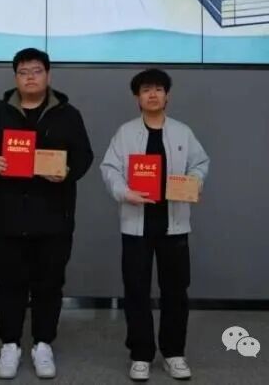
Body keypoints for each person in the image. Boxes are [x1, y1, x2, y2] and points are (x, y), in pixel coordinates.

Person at [0, 47, 94, 380]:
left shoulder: (68, 114)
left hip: (53, 217)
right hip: (6, 215)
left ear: (48, 75)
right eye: (23, 72)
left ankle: (43, 344)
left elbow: (84, 156)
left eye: (36, 71)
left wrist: (67, 171)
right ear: (15, 77)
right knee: (8, 282)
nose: (30, 78)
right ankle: (10, 344)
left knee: (49, 283)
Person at [100, 68, 210, 382]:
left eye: (158, 89)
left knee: (175, 291)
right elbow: (109, 168)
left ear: (167, 96)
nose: (152, 94)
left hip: (174, 225)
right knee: (136, 291)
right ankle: (141, 354)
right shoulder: (125, 133)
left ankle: (174, 353)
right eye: (146, 89)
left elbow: (200, 163)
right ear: (137, 97)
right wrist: (124, 192)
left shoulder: (182, 132)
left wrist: (194, 182)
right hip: (136, 225)